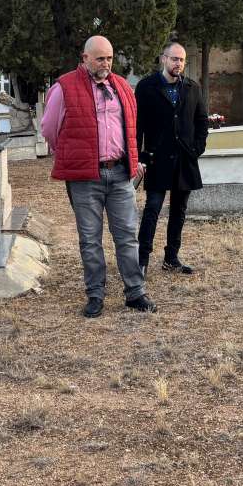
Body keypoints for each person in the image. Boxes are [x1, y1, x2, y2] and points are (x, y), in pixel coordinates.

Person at [41, 35, 157, 318]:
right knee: (90, 240)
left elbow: (130, 127)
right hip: (85, 177)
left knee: (127, 236)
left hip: (119, 174)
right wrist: (72, 153)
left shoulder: (122, 87)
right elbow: (49, 129)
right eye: (99, 58)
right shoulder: (64, 87)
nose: (105, 64)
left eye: (109, 58)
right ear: (85, 58)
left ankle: (135, 292)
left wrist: (133, 160)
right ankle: (95, 295)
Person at [134, 41, 208, 275]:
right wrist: (138, 156)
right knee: (152, 208)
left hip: (185, 159)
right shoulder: (146, 87)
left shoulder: (192, 88)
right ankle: (141, 261)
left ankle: (171, 258)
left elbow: (201, 120)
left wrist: (197, 147)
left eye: (182, 60)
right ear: (163, 59)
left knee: (179, 210)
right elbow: (137, 125)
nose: (179, 63)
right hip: (157, 158)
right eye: (174, 59)